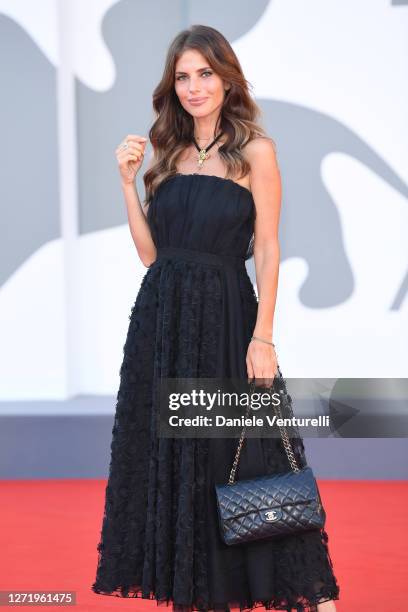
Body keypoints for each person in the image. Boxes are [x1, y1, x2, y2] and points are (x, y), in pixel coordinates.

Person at [91, 24, 340, 612]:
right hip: (163, 325)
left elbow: (270, 247)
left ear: (227, 79)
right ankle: (200, 593)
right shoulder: (169, 154)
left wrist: (264, 336)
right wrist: (127, 184)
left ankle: (314, 598)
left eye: (205, 73)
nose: (194, 86)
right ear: (171, 86)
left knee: (255, 454)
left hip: (229, 318)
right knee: (179, 463)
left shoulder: (256, 151)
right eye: (183, 76)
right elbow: (153, 254)